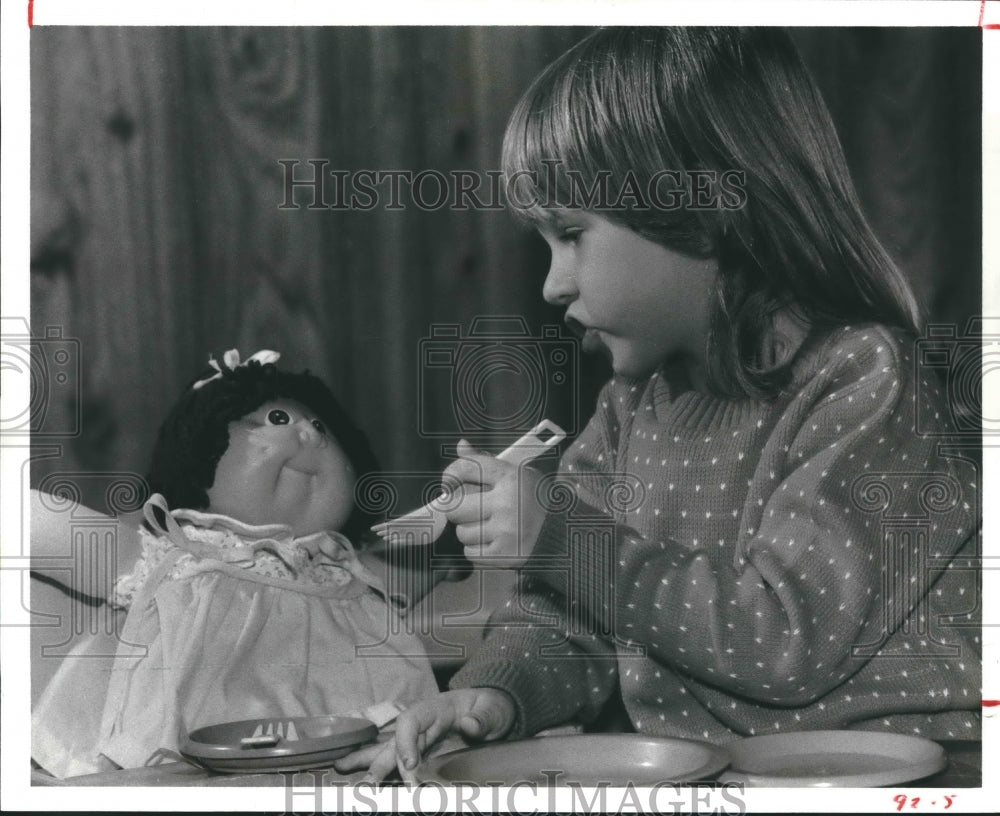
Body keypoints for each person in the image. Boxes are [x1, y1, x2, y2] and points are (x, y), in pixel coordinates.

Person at [340, 27, 982, 782]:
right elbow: (573, 616)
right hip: (724, 777)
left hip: (918, 773)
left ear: (704, 213)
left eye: (571, 234)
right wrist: (492, 694)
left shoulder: (863, 380)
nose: (553, 283)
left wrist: (562, 538)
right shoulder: (629, 409)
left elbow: (782, 643)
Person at [31, 349, 440, 778]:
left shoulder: (346, 572)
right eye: (279, 420)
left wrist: (454, 537)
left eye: (322, 427)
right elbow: (48, 528)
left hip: (357, 758)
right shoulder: (177, 554)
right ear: (198, 448)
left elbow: (415, 567)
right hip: (194, 766)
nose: (310, 434)